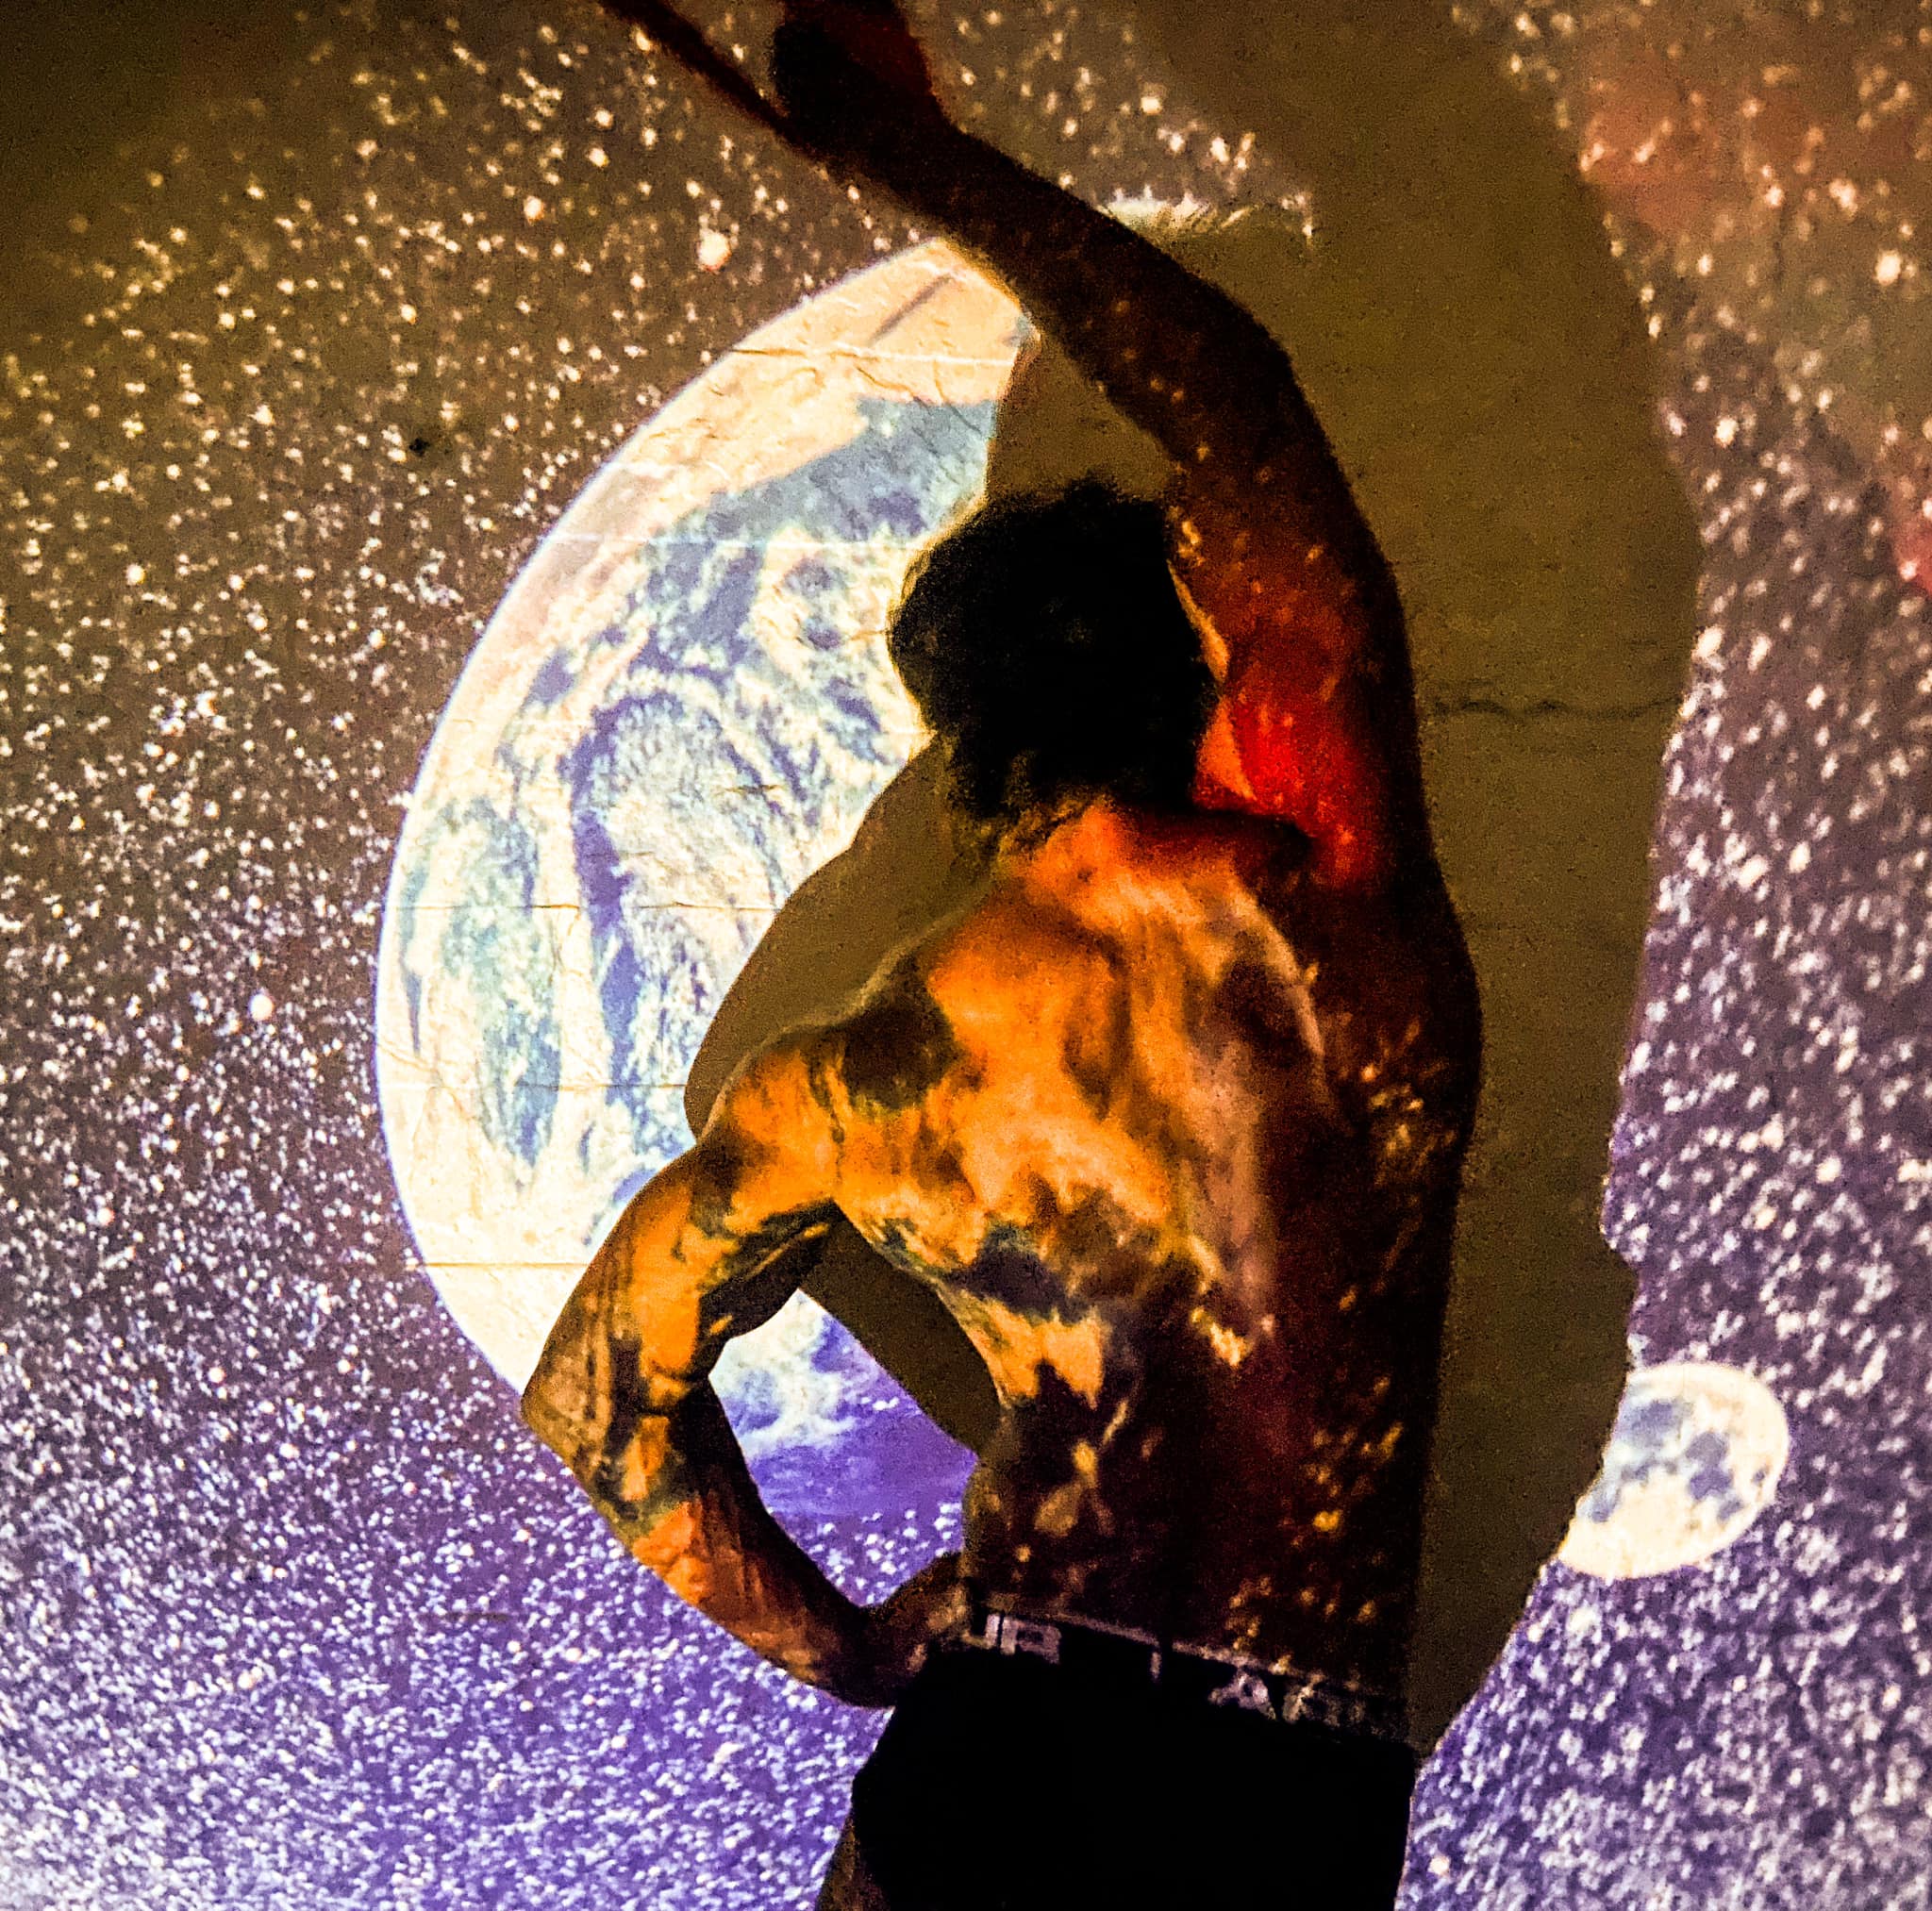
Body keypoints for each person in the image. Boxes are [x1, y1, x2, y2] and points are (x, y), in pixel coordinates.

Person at [522, 3, 1480, 1902]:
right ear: (1201, 653)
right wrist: (909, 151)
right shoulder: (1331, 921)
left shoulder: (853, 1080)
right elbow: (1239, 404)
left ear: (964, 746)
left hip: (999, 1740)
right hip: (1275, 1783)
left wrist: (854, 1649)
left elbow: (597, 1401)